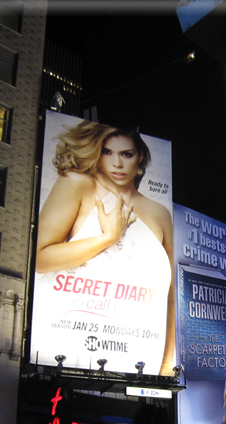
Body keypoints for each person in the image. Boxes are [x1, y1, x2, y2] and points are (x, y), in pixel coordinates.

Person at [33, 120, 175, 375]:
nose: (117, 163)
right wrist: (107, 238)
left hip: (139, 350)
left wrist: (166, 365)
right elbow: (39, 259)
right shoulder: (78, 184)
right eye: (108, 152)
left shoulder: (160, 213)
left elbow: (171, 295)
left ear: (140, 158)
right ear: (97, 154)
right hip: (70, 340)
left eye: (126, 154)